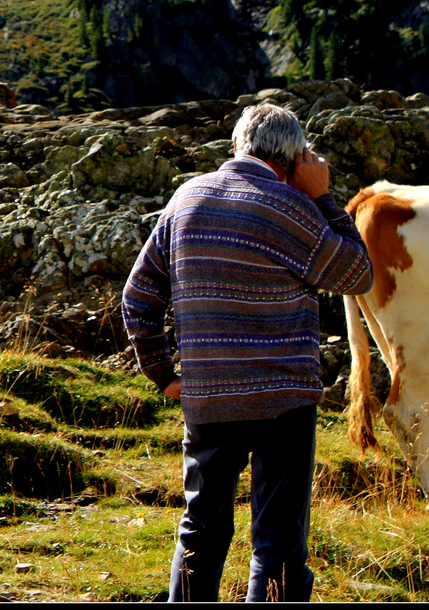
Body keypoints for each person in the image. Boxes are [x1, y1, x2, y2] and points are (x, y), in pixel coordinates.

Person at [122, 103, 373, 602]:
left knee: (202, 529)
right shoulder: (292, 208)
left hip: (209, 395)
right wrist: (324, 198)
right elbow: (356, 273)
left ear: (237, 145)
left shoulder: (186, 198)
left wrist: (162, 374)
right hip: (283, 401)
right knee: (277, 544)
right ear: (293, 158)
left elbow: (138, 296)